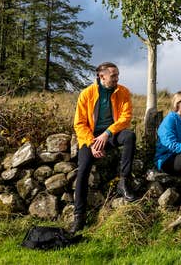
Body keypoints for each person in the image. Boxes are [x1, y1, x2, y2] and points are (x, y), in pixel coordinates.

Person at [70, 62, 137, 233]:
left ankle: (123, 182)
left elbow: (125, 118)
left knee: (129, 136)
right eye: (113, 76)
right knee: (83, 169)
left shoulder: (123, 92)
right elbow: (79, 124)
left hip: (111, 134)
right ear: (102, 77)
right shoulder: (87, 94)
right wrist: (92, 143)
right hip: (90, 137)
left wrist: (107, 133)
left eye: (117, 75)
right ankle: (79, 217)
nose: (117, 78)